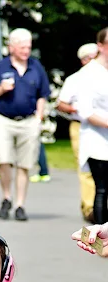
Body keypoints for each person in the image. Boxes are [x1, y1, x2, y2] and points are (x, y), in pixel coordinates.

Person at [0, 28, 50, 221]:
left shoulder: (36, 67)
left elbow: (43, 94)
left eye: (28, 47)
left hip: (28, 121)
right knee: (3, 159)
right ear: (11, 47)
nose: (26, 50)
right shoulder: (1, 66)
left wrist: (39, 116)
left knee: (24, 164)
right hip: (4, 120)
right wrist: (0, 89)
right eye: (22, 47)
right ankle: (6, 197)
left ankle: (20, 204)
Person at [57, 43, 98, 221]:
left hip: (102, 126)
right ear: (84, 60)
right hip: (80, 125)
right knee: (86, 166)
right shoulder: (75, 79)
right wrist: (76, 108)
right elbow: (61, 104)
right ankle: (90, 207)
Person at [76, 28, 108, 224]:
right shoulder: (89, 73)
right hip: (97, 141)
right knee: (102, 189)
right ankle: (101, 240)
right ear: (101, 46)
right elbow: (85, 111)